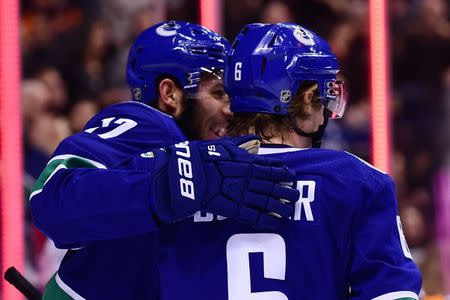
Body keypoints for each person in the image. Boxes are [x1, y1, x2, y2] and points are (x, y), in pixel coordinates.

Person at [30, 21, 298, 299]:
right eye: (219, 93)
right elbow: (51, 200)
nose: (232, 110)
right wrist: (169, 183)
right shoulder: (144, 124)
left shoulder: (222, 161)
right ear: (169, 93)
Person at [155, 23, 422, 299]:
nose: (325, 113)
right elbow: (393, 295)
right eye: (326, 95)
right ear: (308, 100)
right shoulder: (356, 181)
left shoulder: (174, 172)